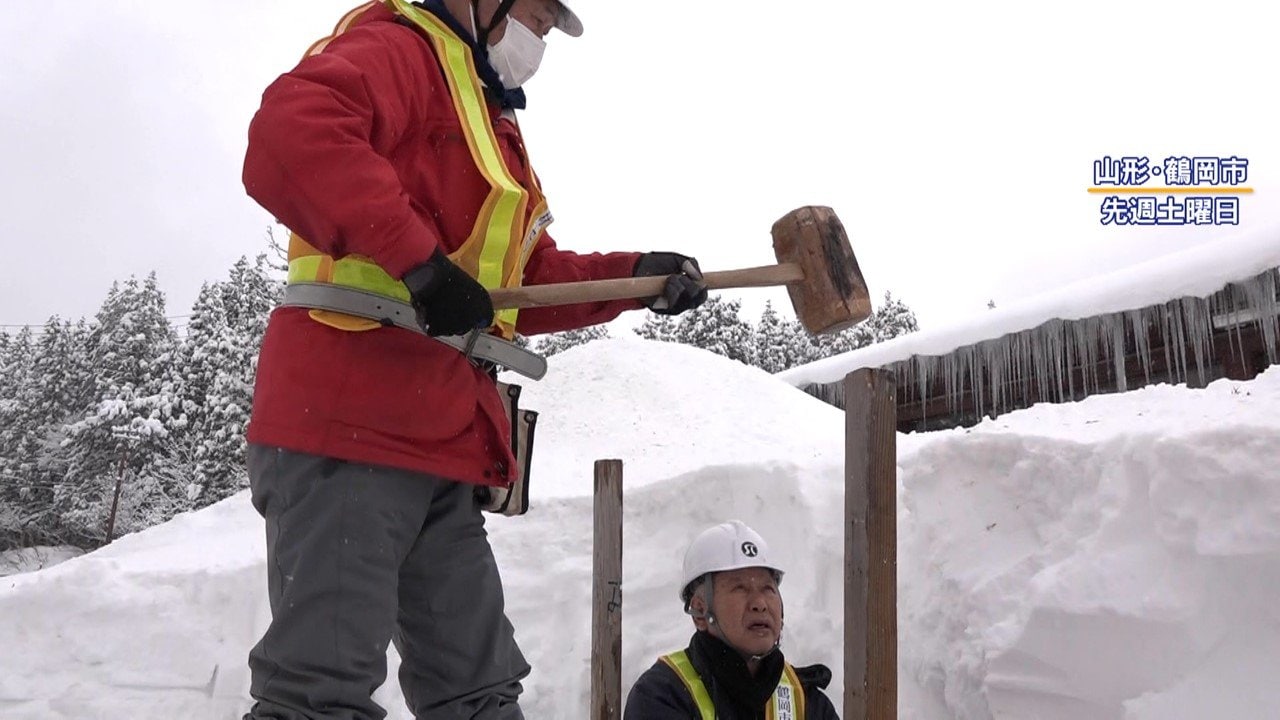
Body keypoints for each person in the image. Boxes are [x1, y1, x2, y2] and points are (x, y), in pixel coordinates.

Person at [238, 0, 708, 717]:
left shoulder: (488, 120)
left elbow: (517, 284)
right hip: (350, 416)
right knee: (319, 691)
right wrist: (419, 264)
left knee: (477, 690)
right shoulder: (402, 50)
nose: (541, 37)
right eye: (537, 16)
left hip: (440, 436)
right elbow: (290, 131)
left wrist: (637, 277)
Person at [624, 520, 839, 720]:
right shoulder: (661, 695)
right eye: (740, 588)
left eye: (768, 588)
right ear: (700, 611)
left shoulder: (808, 703)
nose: (760, 603)